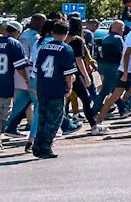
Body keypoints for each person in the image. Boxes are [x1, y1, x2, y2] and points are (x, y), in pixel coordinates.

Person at [0, 22, 31, 153]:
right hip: (5, 84)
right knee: (0, 117)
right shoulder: (14, 44)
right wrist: (27, 80)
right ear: (16, 32)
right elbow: (20, 67)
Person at [30, 21, 76, 159]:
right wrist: (69, 87)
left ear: (52, 33)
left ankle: (37, 144)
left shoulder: (43, 48)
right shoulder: (66, 49)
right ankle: (46, 146)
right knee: (54, 119)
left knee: (42, 118)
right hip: (56, 87)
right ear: (66, 33)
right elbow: (68, 73)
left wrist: (37, 87)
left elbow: (37, 71)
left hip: (43, 86)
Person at [97, 14, 131, 124]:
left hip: (127, 70)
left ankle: (98, 121)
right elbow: (126, 55)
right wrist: (126, 73)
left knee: (114, 96)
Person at [66, 17, 107, 135]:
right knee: (86, 99)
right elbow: (79, 59)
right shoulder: (77, 40)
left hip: (63, 73)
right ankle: (93, 126)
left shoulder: (64, 39)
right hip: (75, 73)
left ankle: (65, 124)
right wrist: (86, 76)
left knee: (65, 101)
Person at [95, 20, 127, 117]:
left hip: (104, 66)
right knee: (109, 90)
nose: (123, 30)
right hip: (114, 66)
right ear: (117, 28)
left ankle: (122, 109)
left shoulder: (105, 38)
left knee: (110, 89)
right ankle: (95, 111)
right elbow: (123, 53)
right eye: (122, 28)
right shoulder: (118, 38)